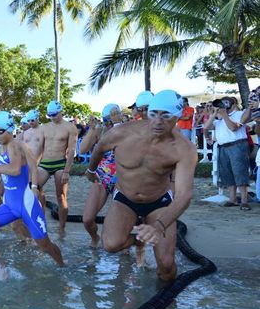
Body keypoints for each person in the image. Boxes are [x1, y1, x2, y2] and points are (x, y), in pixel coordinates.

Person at [85, 90, 198, 282]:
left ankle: (165, 303)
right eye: (154, 114)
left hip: (159, 202)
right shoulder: (122, 133)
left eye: (166, 116)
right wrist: (91, 170)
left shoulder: (184, 149)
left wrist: (159, 226)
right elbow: (99, 147)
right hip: (125, 199)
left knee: (166, 265)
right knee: (111, 245)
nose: (158, 121)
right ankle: (140, 241)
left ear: (178, 117)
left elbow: (184, 195)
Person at [0, 111, 64, 281]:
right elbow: (2, 174)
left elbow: (15, 170)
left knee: (45, 246)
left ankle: (62, 267)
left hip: (26, 203)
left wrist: (35, 186)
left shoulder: (15, 145)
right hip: (9, 203)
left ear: (9, 129)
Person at [79, 103, 123, 247]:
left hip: (123, 180)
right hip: (102, 178)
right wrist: (92, 130)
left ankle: (125, 252)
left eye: (111, 121)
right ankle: (95, 238)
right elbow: (82, 149)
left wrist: (118, 124)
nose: (109, 125)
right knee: (87, 219)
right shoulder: (101, 131)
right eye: (106, 122)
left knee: (122, 222)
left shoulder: (127, 128)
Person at [203, 96, 252, 210]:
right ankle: (232, 199)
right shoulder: (219, 118)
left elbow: (233, 128)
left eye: (225, 102)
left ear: (233, 103)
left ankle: (244, 200)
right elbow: (206, 127)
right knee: (227, 173)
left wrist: (224, 115)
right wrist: (214, 114)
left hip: (237, 145)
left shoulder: (240, 114)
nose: (223, 105)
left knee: (240, 172)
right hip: (223, 147)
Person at [37, 100, 78, 234]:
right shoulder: (44, 127)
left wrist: (67, 170)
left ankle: (62, 228)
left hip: (60, 163)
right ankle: (40, 219)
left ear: (61, 112)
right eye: (50, 115)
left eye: (55, 114)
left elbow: (71, 150)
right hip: (45, 162)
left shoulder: (70, 128)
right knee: (34, 189)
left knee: (60, 196)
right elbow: (40, 148)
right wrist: (34, 165)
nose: (52, 117)